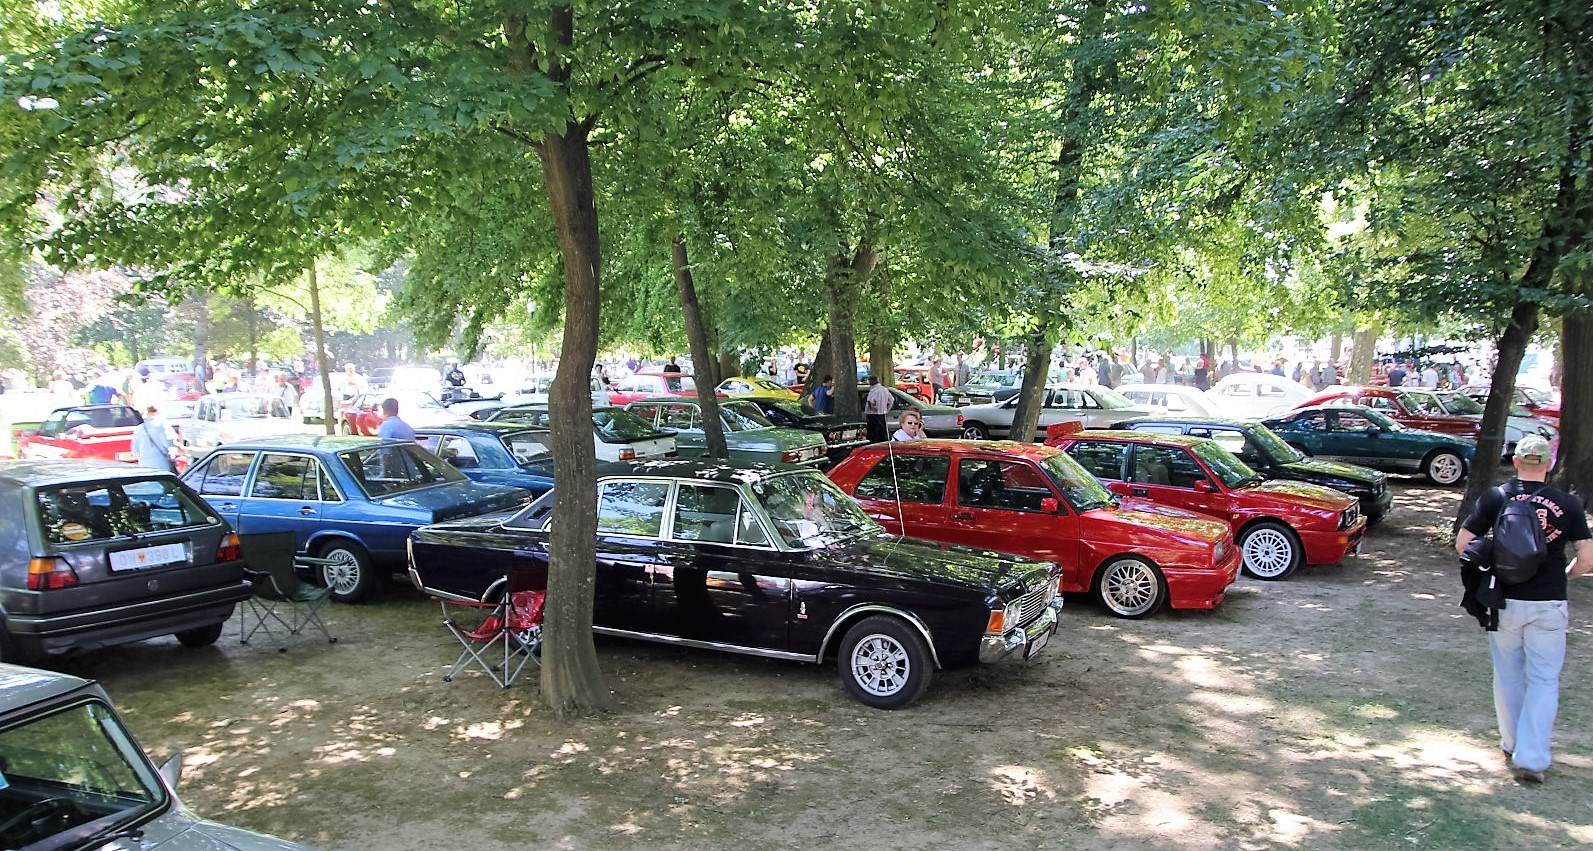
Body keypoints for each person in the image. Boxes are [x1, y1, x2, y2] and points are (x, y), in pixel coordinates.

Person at [1455, 435, 1592, 784]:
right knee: (1544, 679)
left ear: (1516, 462)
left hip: (1505, 600)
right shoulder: (1568, 504)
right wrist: (1567, 574)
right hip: (1549, 601)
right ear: (1548, 464)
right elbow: (1587, 559)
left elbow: (1463, 544)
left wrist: (1492, 562)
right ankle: (1532, 758)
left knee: (1508, 674)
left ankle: (1512, 742)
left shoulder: (1496, 497)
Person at [130, 404, 178, 473]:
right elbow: (168, 443)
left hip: (144, 464)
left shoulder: (139, 428)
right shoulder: (162, 425)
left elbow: (134, 449)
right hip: (161, 463)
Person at [864, 375, 892, 443]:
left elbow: (870, 401)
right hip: (882, 414)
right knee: (882, 433)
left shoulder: (874, 390)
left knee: (873, 434)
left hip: (873, 415)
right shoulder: (885, 389)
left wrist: (872, 408)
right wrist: (887, 409)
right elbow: (891, 400)